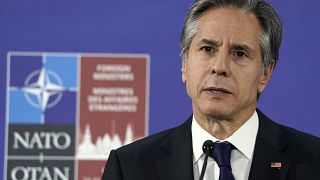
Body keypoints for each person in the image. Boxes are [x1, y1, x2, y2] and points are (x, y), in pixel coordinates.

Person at [101, 0, 320, 179]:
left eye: (239, 54)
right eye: (207, 49)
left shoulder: (313, 161)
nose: (219, 67)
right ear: (185, 64)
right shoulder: (130, 168)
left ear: (265, 73)